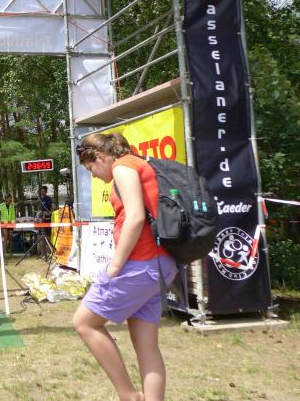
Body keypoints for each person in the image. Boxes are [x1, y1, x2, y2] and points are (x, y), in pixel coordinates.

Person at [73, 132, 178, 401]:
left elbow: (135, 217)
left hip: (140, 264)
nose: (94, 176)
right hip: (159, 264)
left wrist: (115, 265)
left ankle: (129, 396)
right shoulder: (138, 164)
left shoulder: (123, 167)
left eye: (90, 168)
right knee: (146, 346)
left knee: (84, 323)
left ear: (100, 157)